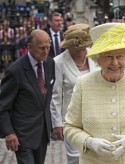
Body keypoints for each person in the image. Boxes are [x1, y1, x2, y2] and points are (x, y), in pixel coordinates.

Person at [63, 22, 125, 163]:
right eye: (108, 57)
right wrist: (89, 142)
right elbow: (70, 127)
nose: (115, 63)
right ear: (98, 59)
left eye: (119, 56)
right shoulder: (83, 84)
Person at [0, 29, 55, 164]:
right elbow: (2, 106)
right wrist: (9, 133)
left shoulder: (49, 64)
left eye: (48, 47)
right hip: (22, 134)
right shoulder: (15, 71)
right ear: (29, 47)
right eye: (42, 48)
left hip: (42, 132)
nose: (46, 51)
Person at [50, 24, 99, 164]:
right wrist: (57, 123)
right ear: (68, 47)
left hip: (96, 116)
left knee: (95, 156)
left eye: (83, 48)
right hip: (72, 120)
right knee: (75, 158)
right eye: (76, 48)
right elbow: (55, 95)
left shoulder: (94, 56)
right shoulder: (58, 62)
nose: (81, 51)